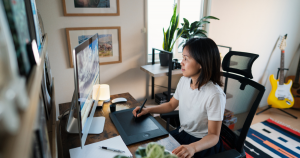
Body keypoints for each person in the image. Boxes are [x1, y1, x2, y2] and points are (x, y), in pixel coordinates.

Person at [132, 38, 226, 158]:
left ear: (201, 63)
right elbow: (171, 105)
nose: (181, 62)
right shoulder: (184, 81)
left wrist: (193, 147)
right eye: (182, 57)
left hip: (201, 144)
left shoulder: (214, 94)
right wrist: (148, 109)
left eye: (186, 59)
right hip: (183, 133)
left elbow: (214, 136)